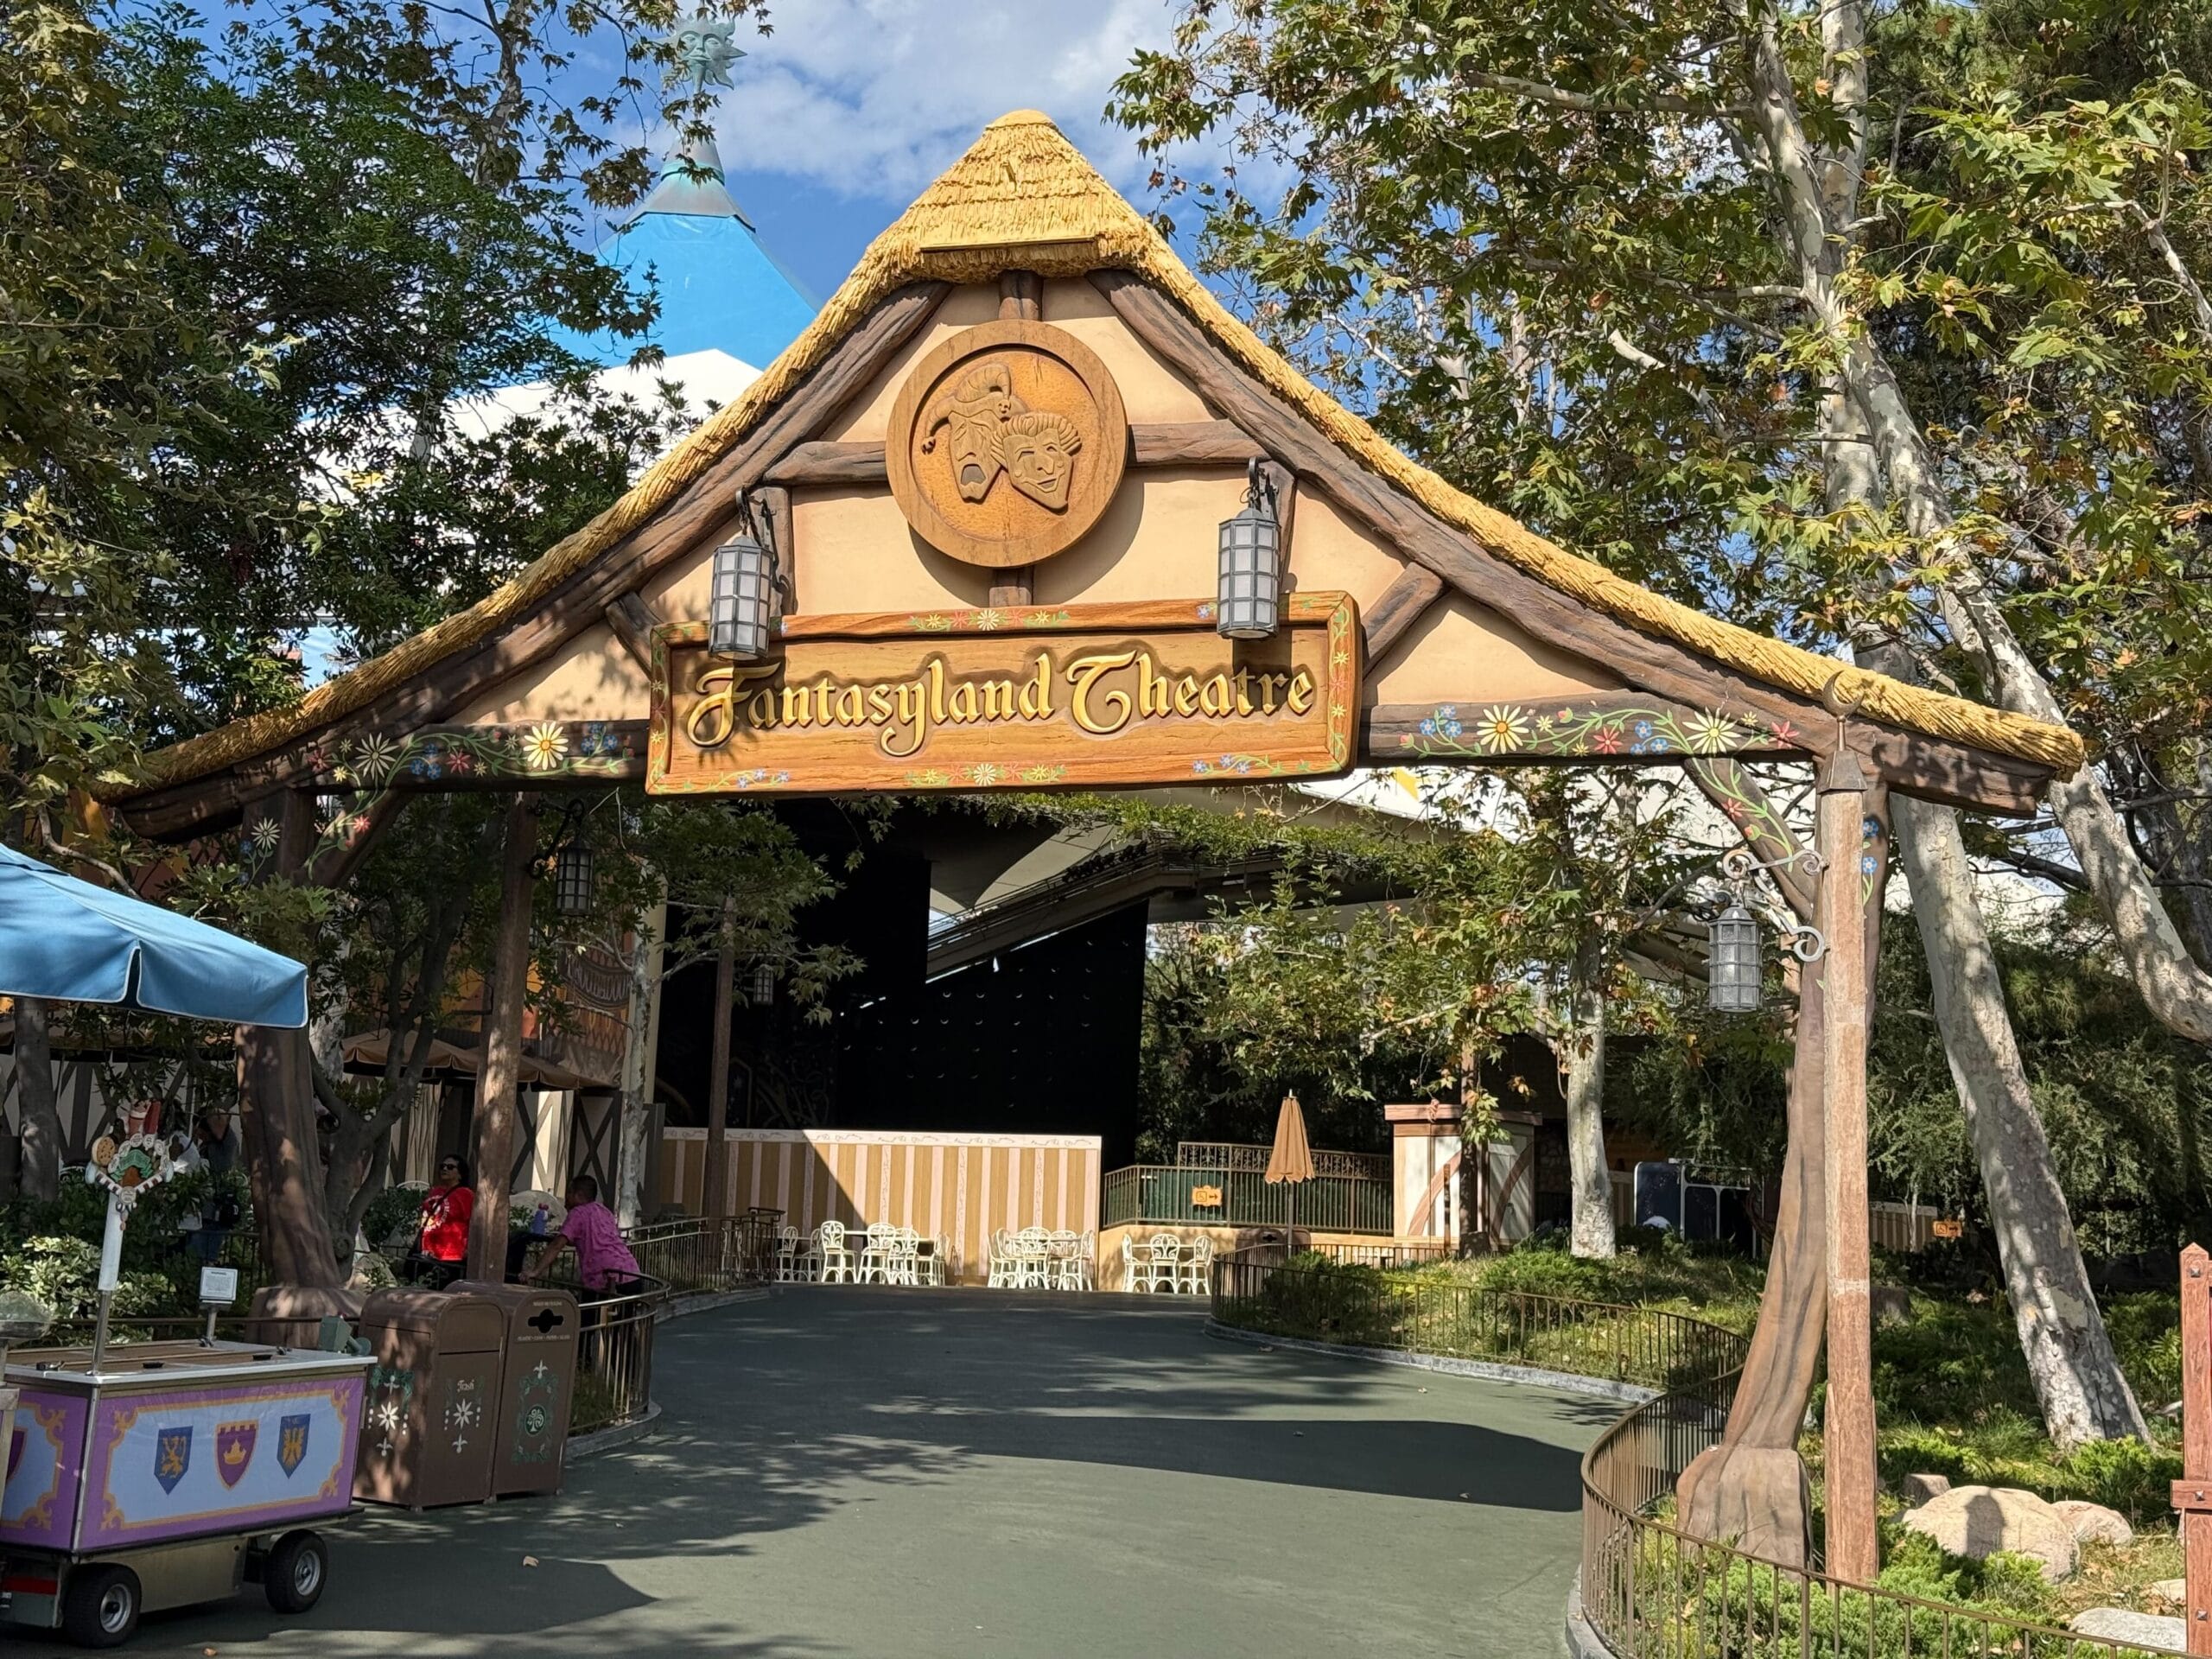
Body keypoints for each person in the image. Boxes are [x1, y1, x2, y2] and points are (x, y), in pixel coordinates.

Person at [527, 1174, 639, 1297]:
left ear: (579, 1195)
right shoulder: (604, 1211)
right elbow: (595, 1237)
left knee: (590, 1314)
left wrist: (535, 1271)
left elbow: (557, 1245)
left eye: (569, 1193)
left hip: (605, 1278)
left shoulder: (578, 1213)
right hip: (631, 1273)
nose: (567, 1197)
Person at [412, 1155, 474, 1288]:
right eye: (442, 1166)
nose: (445, 1169)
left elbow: (472, 1222)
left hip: (451, 1255)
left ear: (460, 1173)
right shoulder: (436, 1191)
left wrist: (469, 1247)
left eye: (450, 1167)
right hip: (428, 1253)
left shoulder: (466, 1195)